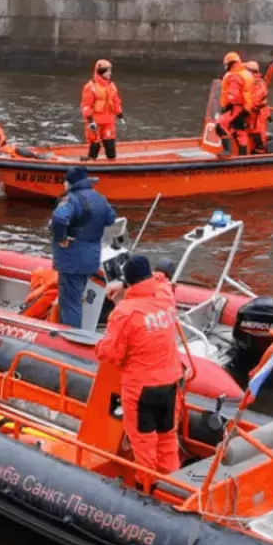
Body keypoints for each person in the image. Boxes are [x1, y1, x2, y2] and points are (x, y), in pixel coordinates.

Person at [95, 256, 185, 475]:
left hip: (141, 389)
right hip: (170, 385)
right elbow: (162, 280)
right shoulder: (166, 297)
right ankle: (172, 485)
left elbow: (110, 353)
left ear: (129, 282)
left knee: (144, 445)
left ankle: (147, 490)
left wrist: (98, 346)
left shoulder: (125, 312)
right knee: (167, 439)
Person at [49, 166, 116, 329]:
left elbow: (58, 219)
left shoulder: (71, 199)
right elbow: (111, 218)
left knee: (70, 302)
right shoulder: (100, 198)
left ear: (70, 182)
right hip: (92, 256)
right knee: (79, 295)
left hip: (72, 259)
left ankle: (71, 339)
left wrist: (61, 238)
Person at [80, 59, 124, 161]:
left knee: (110, 145)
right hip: (95, 122)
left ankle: (112, 166)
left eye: (110, 71)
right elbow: (86, 106)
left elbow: (116, 101)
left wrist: (120, 115)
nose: (110, 73)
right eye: (107, 71)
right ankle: (90, 163)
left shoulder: (111, 86)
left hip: (108, 121)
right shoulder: (90, 87)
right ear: (101, 72)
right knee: (95, 144)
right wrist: (90, 120)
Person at [215, 52, 255, 158]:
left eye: (226, 64)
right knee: (240, 130)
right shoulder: (245, 73)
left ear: (231, 63)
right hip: (245, 107)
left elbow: (234, 94)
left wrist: (228, 105)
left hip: (236, 107)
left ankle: (227, 151)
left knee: (220, 125)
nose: (225, 67)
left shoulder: (235, 76)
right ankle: (243, 156)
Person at [244, 60, 270, 155]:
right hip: (251, 114)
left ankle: (260, 156)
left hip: (258, 115)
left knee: (258, 135)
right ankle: (249, 151)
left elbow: (253, 101)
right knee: (249, 134)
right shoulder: (249, 82)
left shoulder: (258, 84)